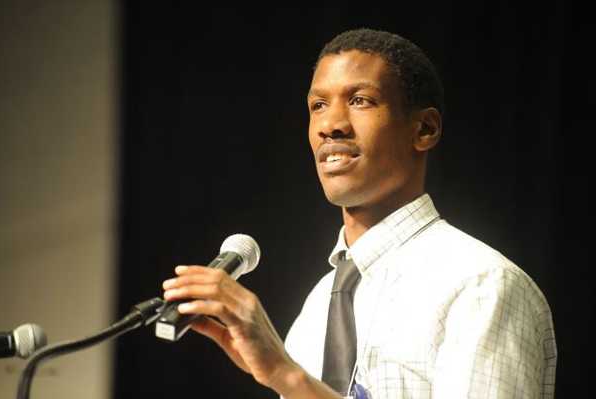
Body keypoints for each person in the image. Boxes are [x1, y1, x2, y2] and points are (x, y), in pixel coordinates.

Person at [162, 28, 557, 398]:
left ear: (424, 129)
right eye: (318, 105)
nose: (331, 125)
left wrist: (289, 377)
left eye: (360, 100)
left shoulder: (481, 287)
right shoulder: (316, 308)